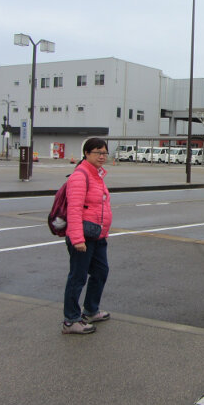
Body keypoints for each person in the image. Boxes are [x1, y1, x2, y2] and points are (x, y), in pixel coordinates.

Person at [62, 138, 113, 334]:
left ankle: (91, 310)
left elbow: (100, 208)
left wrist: (104, 232)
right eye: (97, 152)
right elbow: (74, 210)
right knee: (77, 277)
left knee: (101, 272)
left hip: (97, 235)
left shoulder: (97, 176)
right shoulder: (80, 176)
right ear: (86, 154)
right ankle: (70, 320)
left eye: (104, 153)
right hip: (82, 236)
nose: (102, 156)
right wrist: (77, 239)